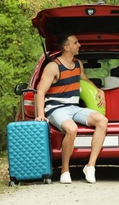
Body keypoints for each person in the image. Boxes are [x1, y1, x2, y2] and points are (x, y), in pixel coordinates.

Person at [35, 34, 108, 184]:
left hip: (74, 107)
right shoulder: (53, 66)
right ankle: (65, 170)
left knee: (102, 121)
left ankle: (90, 166)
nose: (79, 45)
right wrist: (41, 114)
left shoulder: (78, 64)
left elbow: (85, 80)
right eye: (76, 43)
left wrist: (98, 90)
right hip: (56, 108)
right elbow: (40, 91)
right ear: (67, 47)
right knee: (72, 129)